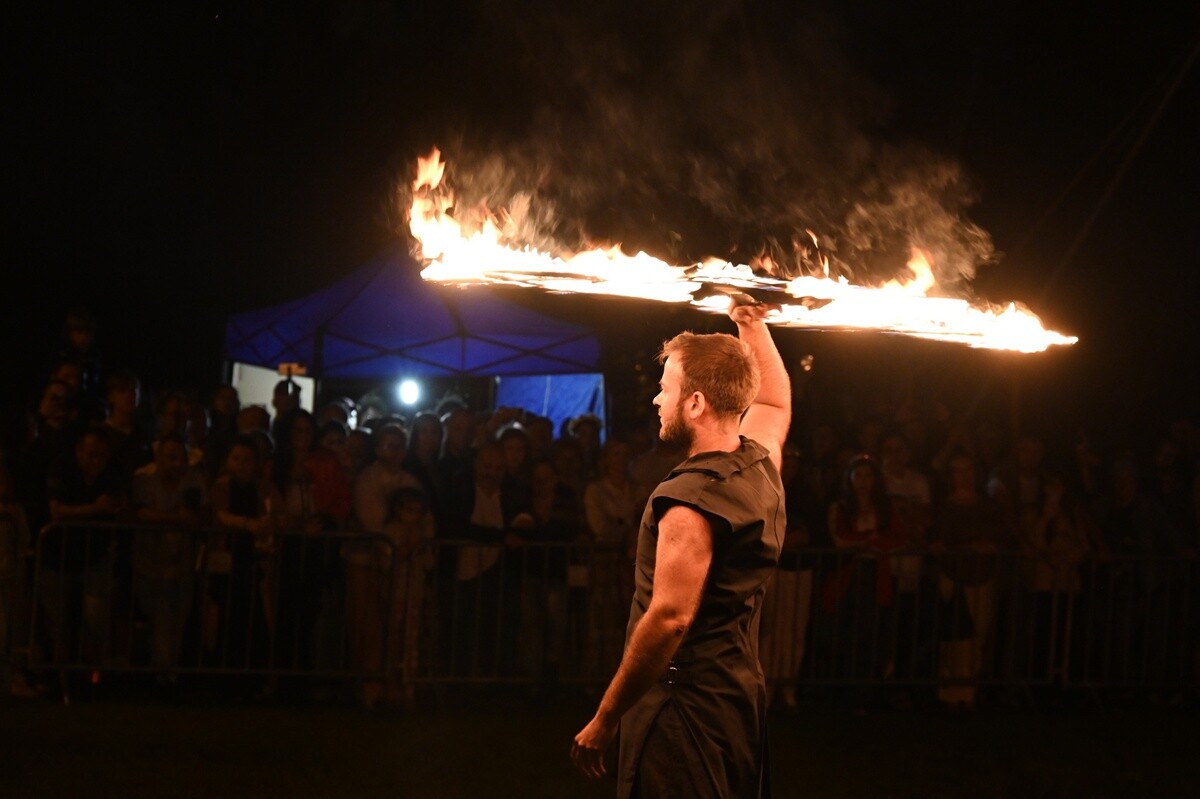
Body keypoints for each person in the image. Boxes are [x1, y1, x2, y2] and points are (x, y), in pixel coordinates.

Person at [572, 299, 790, 798]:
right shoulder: (760, 463)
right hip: (735, 697)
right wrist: (750, 324)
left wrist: (606, 719)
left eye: (665, 389)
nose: (655, 400)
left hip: (682, 711)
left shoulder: (689, 501)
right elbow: (775, 405)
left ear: (695, 404)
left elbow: (671, 618)